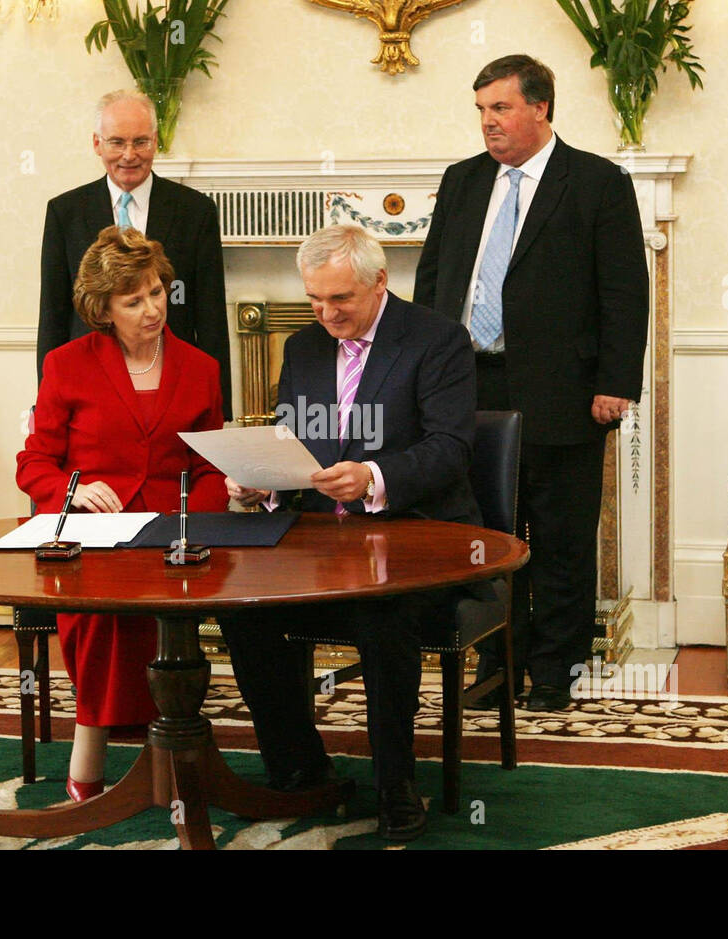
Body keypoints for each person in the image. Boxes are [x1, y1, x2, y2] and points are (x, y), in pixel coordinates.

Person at [220, 225, 481, 842]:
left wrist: (374, 475)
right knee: (244, 609)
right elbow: (295, 445)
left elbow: (451, 449)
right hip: (320, 543)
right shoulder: (304, 347)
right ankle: (298, 768)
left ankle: (396, 784)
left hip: (418, 537)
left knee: (380, 613)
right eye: (314, 299)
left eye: (340, 300)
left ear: (379, 281)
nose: (326, 313)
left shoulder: (437, 340)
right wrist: (266, 483)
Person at [414, 54, 649, 712]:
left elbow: (625, 292)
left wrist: (616, 381)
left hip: (565, 391)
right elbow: (433, 284)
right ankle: (496, 663)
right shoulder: (463, 182)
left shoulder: (597, 182)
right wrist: (420, 375)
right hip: (471, 387)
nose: (489, 122)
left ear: (540, 108)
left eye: (501, 108)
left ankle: (556, 671)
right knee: (486, 534)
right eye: (482, 110)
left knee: (561, 537)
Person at [18, 225, 228, 803]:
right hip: (93, 538)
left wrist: (198, 519)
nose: (152, 309)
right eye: (133, 301)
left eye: (157, 292)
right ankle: (94, 751)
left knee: (173, 599)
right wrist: (73, 489)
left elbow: (209, 468)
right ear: (102, 309)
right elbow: (34, 462)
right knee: (102, 612)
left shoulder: (201, 367)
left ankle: (157, 756)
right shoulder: (66, 365)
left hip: (172, 536)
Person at [38, 90, 232, 418]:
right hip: (89, 385)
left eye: (140, 142)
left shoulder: (195, 211)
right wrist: (45, 399)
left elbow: (210, 315)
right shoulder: (65, 212)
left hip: (172, 383)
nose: (129, 155)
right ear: (97, 144)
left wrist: (220, 408)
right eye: (117, 142)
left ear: (155, 142)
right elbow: (53, 315)